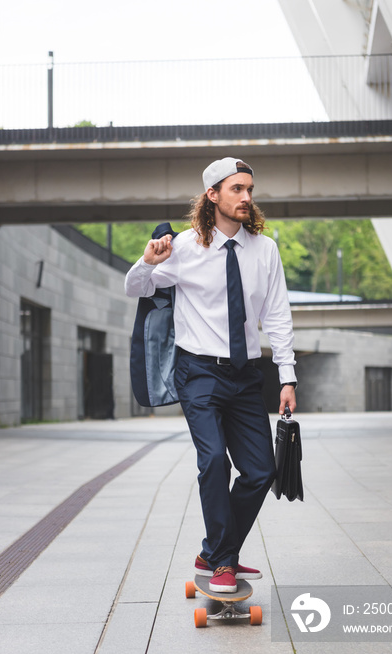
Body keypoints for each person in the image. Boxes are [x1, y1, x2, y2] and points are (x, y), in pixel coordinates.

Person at [125, 157, 296, 593]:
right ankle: (224, 561)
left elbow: (277, 316)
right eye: (236, 189)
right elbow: (135, 288)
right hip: (198, 370)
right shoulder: (183, 247)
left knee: (260, 470)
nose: (246, 197)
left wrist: (287, 376)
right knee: (215, 461)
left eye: (250, 190)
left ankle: (213, 552)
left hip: (246, 374)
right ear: (213, 195)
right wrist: (146, 262)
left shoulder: (266, 250)